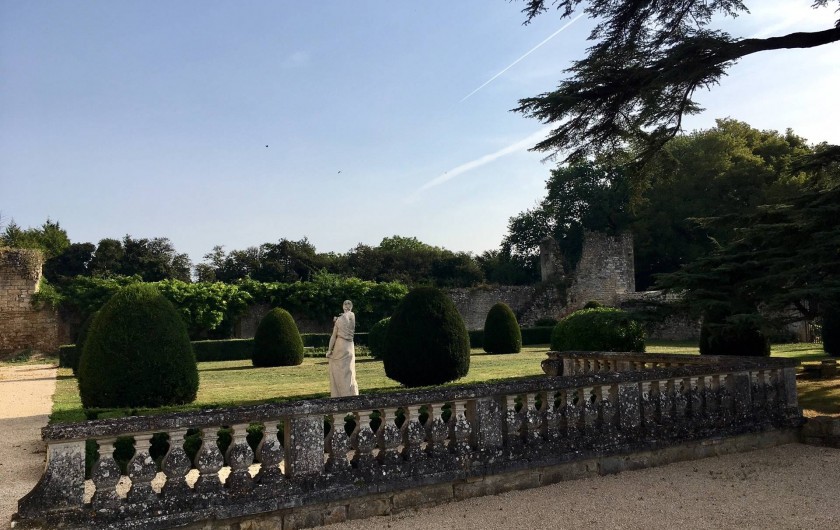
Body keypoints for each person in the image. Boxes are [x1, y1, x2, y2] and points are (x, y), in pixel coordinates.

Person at [326, 300, 359, 397]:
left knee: (348, 371)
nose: (347, 305)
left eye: (349, 304)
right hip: (339, 346)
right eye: (345, 304)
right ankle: (339, 394)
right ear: (342, 306)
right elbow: (333, 336)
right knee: (339, 371)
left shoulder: (351, 315)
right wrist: (329, 350)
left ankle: (349, 395)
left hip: (347, 346)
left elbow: (346, 317)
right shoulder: (340, 319)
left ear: (352, 306)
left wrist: (338, 318)